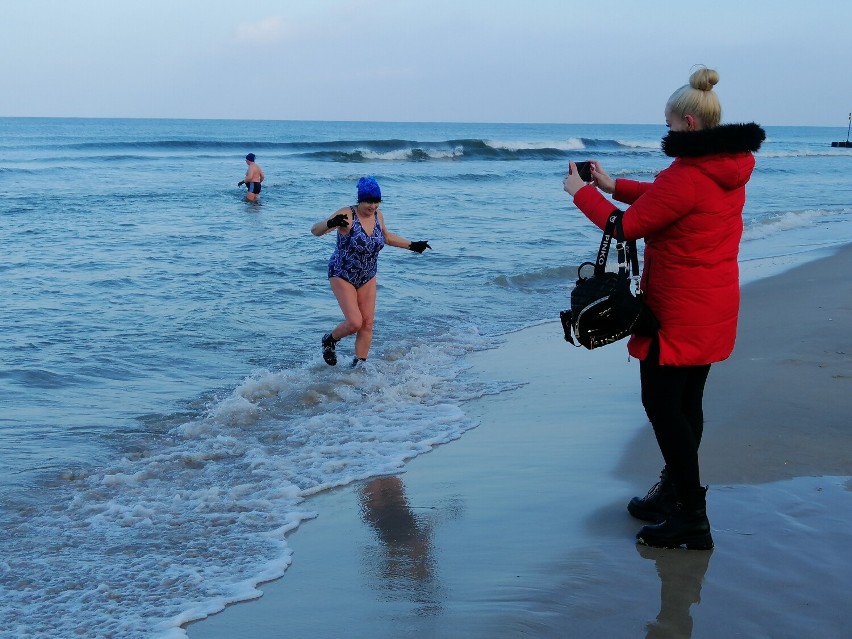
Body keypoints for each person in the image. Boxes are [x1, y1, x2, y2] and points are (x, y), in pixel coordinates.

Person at [562, 67, 765, 550]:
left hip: (678, 307)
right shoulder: (725, 166)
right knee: (686, 402)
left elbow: (625, 228)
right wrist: (613, 183)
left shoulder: (690, 174)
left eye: (670, 125)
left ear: (689, 125)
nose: (667, 132)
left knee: (661, 404)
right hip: (711, 302)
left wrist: (582, 194)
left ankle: (691, 516)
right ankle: (674, 493)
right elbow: (664, 199)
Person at [310, 176, 431, 367]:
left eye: (376, 201)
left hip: (367, 275)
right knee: (355, 322)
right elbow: (315, 231)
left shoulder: (378, 216)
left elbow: (387, 237)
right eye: (368, 201)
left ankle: (358, 368)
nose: (373, 206)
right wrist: (331, 223)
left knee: (367, 324)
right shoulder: (347, 214)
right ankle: (329, 340)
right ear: (360, 200)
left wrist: (413, 245)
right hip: (342, 273)